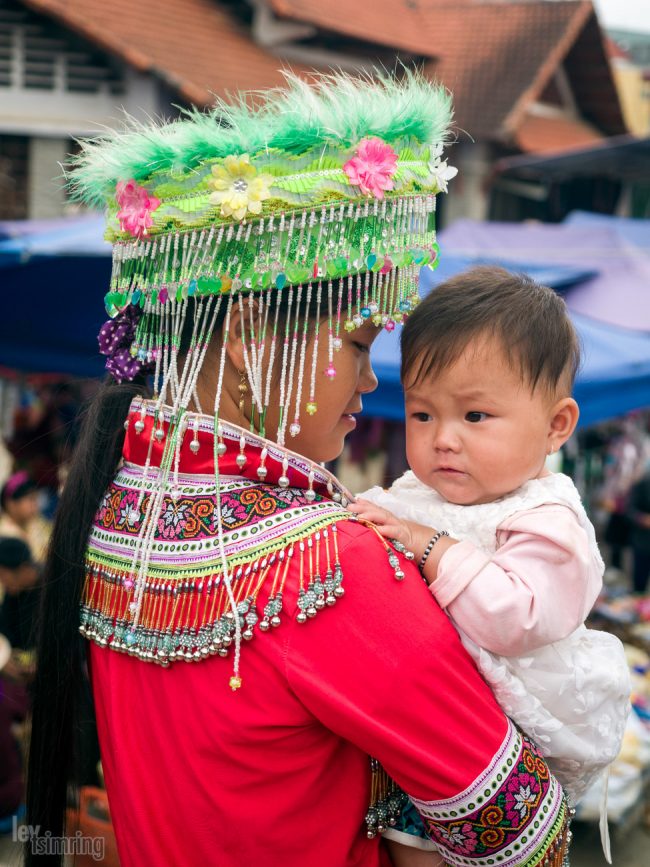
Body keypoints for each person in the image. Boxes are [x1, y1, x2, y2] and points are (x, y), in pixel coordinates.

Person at [27, 75, 571, 867]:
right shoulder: (331, 562)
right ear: (252, 335)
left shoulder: (117, 510)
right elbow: (528, 834)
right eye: (355, 344)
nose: (372, 379)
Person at [351, 267, 630, 862]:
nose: (444, 439)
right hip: (426, 733)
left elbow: (516, 617)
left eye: (474, 417)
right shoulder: (418, 496)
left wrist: (432, 549)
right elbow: (374, 523)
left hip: (505, 749)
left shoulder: (548, 520)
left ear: (556, 426)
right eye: (423, 415)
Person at [0, 472, 51, 566]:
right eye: (30, 499)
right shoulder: (5, 534)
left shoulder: (35, 523)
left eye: (36, 499)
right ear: (10, 504)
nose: (35, 505)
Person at [628, 463, 650, 594]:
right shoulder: (642, 485)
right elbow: (629, 511)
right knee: (639, 587)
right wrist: (643, 519)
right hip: (643, 542)